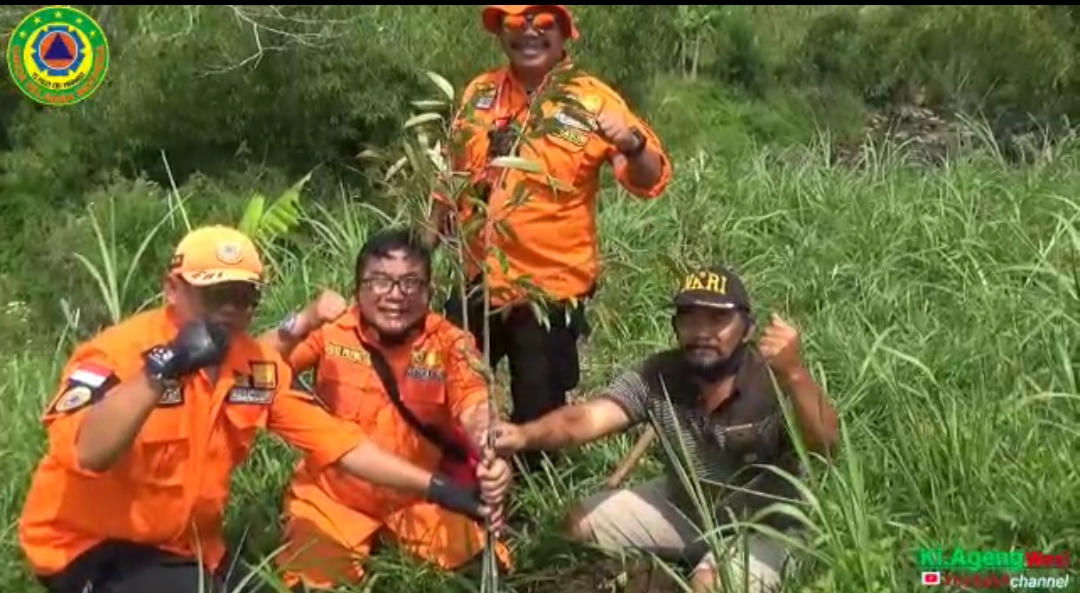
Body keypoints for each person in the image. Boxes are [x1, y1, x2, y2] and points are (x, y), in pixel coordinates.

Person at [18, 225, 499, 593]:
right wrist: (162, 369)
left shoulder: (255, 367)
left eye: (243, 298)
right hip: (89, 546)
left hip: (192, 546)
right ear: (172, 289)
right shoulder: (115, 355)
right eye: (214, 295)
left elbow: (341, 444)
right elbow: (88, 451)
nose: (228, 310)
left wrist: (441, 490)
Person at [427, 4, 674, 472]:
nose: (528, 35)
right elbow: (449, 184)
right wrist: (421, 254)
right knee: (441, 389)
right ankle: (455, 496)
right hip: (476, 280)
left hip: (548, 291)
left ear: (564, 32)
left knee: (537, 413)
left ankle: (531, 517)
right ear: (500, 32)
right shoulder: (479, 94)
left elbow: (651, 179)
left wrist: (632, 144)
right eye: (515, 25)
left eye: (542, 25)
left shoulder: (592, 99)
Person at [492, 265, 841, 593]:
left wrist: (796, 373)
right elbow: (586, 419)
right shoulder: (660, 375)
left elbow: (825, 445)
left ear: (747, 328)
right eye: (690, 319)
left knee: (708, 584)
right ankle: (664, 569)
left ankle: (703, 572)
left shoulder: (771, 378)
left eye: (718, 319)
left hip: (764, 527)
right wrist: (523, 435)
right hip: (685, 506)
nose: (703, 332)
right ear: (675, 326)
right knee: (577, 524)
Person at [260, 227, 512, 591]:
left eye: (411, 283)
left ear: (430, 291)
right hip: (332, 498)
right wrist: (303, 319)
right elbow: (249, 369)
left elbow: (474, 405)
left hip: (419, 497)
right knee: (307, 585)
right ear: (357, 288)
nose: (395, 296)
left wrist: (490, 446)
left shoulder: (450, 343)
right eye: (380, 282)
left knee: (484, 574)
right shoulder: (331, 332)